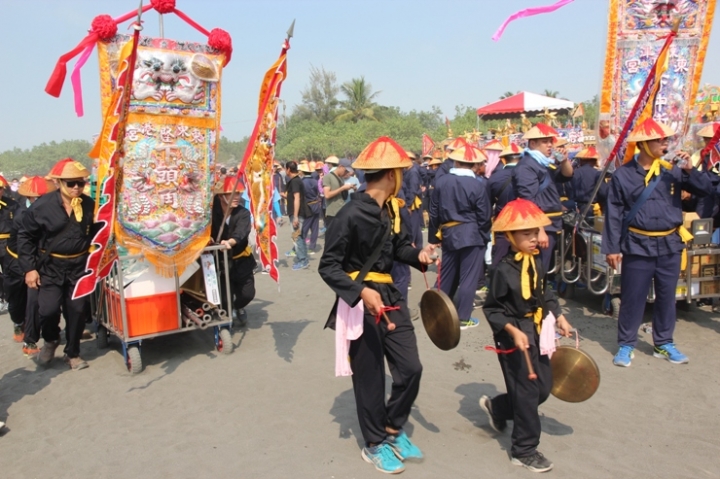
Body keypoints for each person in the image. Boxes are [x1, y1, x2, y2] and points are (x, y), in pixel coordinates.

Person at [319, 136, 437, 475]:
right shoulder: (350, 214)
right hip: (361, 302)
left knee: (411, 368)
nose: (403, 176)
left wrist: (421, 256)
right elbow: (328, 265)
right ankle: (374, 444)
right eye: (400, 171)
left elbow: (400, 249)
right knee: (369, 379)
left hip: (391, 297)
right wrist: (359, 292)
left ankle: (392, 428)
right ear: (390, 175)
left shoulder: (392, 209)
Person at [602, 118, 712, 367]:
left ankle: (663, 343)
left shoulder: (674, 170)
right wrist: (612, 248)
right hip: (638, 244)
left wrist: (688, 170)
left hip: (670, 244)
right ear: (644, 144)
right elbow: (614, 213)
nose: (666, 143)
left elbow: (706, 190)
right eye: (660, 140)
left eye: (667, 139)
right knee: (633, 297)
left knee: (666, 296)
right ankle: (626, 344)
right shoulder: (623, 175)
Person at [481, 198, 573, 473]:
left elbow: (545, 293)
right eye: (526, 233)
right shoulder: (500, 270)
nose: (534, 238)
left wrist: (559, 316)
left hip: (535, 330)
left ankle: (498, 407)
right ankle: (523, 449)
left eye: (536, 232)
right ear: (509, 237)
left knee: (543, 388)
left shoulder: (537, 262)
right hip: (512, 336)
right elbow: (492, 309)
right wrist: (512, 331)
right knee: (527, 393)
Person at [18, 159, 96, 370]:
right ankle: (51, 340)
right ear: (60, 183)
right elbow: (25, 237)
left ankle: (73, 353)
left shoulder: (89, 204)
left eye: (80, 182)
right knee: (48, 310)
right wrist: (30, 268)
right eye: (71, 183)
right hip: (50, 268)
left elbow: (97, 232)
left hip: (78, 267)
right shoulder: (41, 206)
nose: (76, 187)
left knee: (77, 311)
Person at [430, 141, 491, 329]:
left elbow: (434, 212)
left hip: (449, 232)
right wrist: (484, 234)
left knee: (446, 273)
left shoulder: (441, 182)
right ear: (473, 164)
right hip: (472, 233)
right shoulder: (477, 184)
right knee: (468, 277)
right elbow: (484, 215)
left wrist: (434, 237)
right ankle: (463, 317)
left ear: (455, 162)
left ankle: (435, 310)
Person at [4, 176, 56, 354]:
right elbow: (25, 245)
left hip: (39, 261)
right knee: (17, 300)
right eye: (38, 198)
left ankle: (32, 339)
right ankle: (20, 324)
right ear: (30, 199)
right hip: (16, 260)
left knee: (35, 299)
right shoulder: (22, 216)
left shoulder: (48, 212)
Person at [513, 123, 574, 272]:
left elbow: (567, 175)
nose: (550, 145)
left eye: (550, 141)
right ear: (533, 143)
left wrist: (564, 160)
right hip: (540, 225)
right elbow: (528, 200)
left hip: (550, 223)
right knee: (537, 269)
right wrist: (539, 230)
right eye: (545, 142)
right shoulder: (527, 166)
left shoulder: (543, 163)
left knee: (543, 268)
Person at [212, 177, 256, 327]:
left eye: (238, 193)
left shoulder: (243, 213)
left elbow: (241, 233)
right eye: (232, 193)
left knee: (247, 294)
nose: (236, 197)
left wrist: (229, 242)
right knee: (223, 298)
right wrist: (209, 239)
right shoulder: (212, 212)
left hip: (241, 259)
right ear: (221, 196)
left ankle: (239, 306)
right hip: (220, 261)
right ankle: (226, 320)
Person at [488, 144, 521, 267]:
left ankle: (499, 280)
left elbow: (488, 202)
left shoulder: (494, 177)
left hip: (503, 220)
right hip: (525, 220)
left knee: (500, 254)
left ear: (503, 159)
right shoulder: (530, 174)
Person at [284, 161, 311, 270]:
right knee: (300, 236)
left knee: (296, 236)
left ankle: (302, 260)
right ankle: (304, 259)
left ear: (288, 169)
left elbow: (297, 198)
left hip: (297, 213)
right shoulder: (297, 180)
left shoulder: (295, 181)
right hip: (298, 212)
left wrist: (295, 216)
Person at [571, 146, 609, 219]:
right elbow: (603, 193)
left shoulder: (574, 173)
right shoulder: (597, 174)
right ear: (593, 161)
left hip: (577, 208)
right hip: (593, 209)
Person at [0, 175, 19, 315]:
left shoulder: (12, 204)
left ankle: (8, 298)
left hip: (7, 244)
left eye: (0, 188)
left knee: (9, 273)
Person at [322, 158, 356, 229]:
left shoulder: (341, 178)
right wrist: (342, 188)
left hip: (341, 211)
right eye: (345, 170)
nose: (346, 172)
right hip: (332, 214)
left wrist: (349, 188)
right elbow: (327, 195)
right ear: (340, 166)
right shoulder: (328, 177)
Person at [300, 162, 322, 253]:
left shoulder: (302, 182)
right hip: (316, 205)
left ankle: (300, 247)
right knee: (315, 227)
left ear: (302, 172)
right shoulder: (315, 181)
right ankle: (312, 247)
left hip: (308, 206)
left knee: (304, 228)